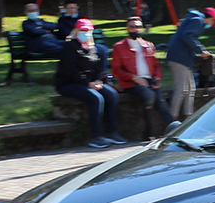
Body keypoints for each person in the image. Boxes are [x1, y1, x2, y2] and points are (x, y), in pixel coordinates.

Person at [55, 19, 125, 149]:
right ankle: (95, 136)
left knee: (112, 95)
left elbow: (96, 69)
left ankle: (112, 132)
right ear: (76, 31)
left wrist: (98, 80)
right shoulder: (69, 47)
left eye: (88, 31)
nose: (86, 34)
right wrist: (88, 84)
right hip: (69, 83)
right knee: (96, 98)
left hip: (89, 82)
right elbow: (70, 71)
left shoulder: (92, 48)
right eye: (83, 30)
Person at [112, 18, 174, 140]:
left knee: (161, 102)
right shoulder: (119, 47)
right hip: (130, 83)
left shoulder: (148, 45)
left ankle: (174, 129)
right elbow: (116, 70)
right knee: (149, 95)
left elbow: (156, 66)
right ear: (127, 28)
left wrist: (156, 78)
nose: (136, 29)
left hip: (149, 80)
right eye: (133, 27)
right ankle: (149, 130)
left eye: (138, 26)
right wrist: (134, 78)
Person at [166, 7, 215, 120]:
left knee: (190, 89)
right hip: (179, 58)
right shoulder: (198, 21)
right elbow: (187, 36)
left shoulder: (193, 18)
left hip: (182, 58)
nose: (212, 24)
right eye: (213, 21)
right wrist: (201, 50)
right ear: (210, 18)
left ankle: (188, 118)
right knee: (181, 89)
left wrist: (195, 57)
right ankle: (172, 120)